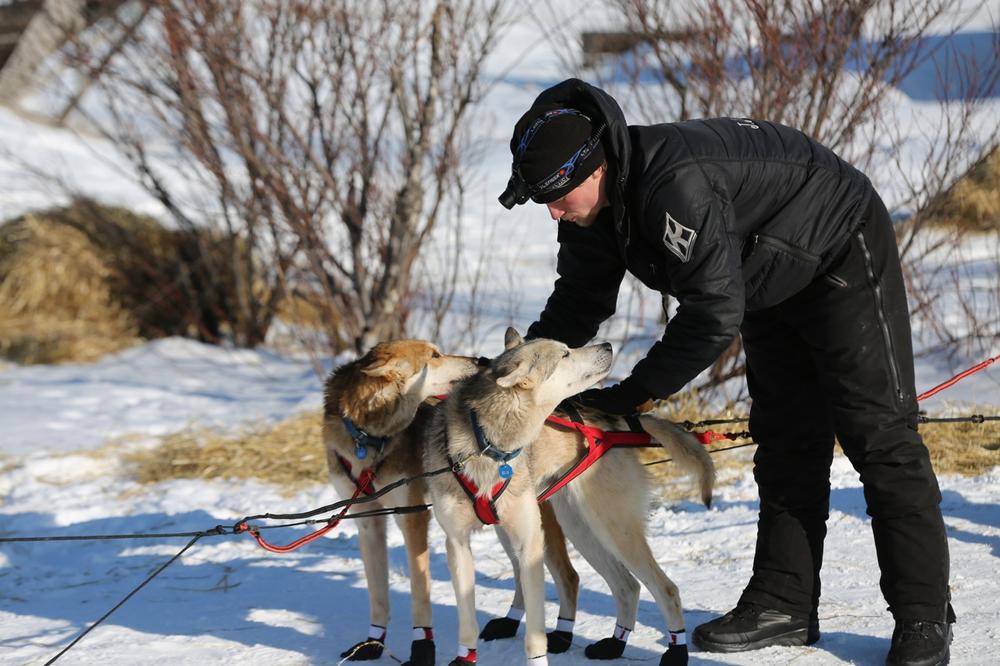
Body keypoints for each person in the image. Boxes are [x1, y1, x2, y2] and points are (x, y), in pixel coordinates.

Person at [499, 78, 954, 666]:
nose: (553, 211)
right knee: (786, 436)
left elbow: (712, 314)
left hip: (840, 244)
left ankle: (923, 615)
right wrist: (514, 374)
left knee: (879, 434)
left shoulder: (673, 187)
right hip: (763, 274)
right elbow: (579, 301)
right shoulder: (591, 208)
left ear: (596, 167)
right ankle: (784, 602)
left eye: (556, 196)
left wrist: (636, 393)